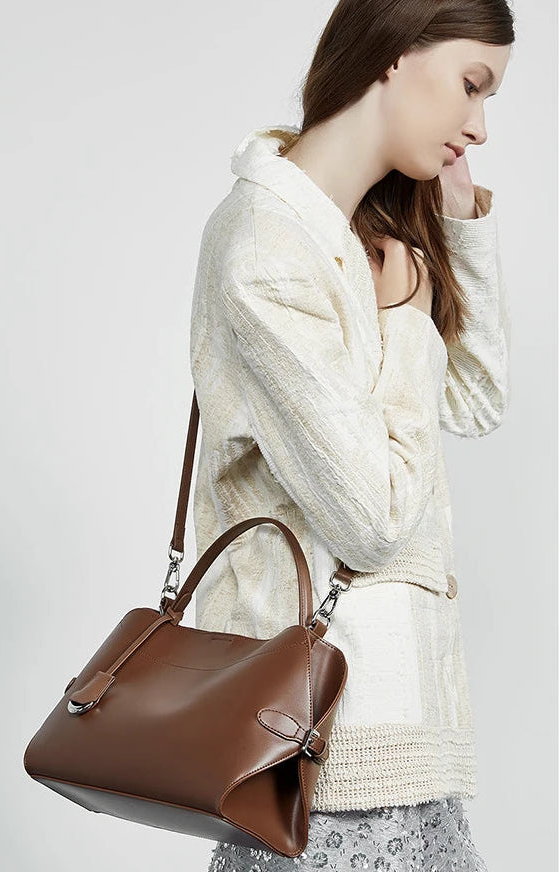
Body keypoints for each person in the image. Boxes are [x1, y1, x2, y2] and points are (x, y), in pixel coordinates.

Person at [188, 0, 515, 869]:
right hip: (321, 750)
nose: (479, 126)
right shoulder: (267, 245)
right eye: (471, 86)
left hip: (400, 735)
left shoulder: (367, 231)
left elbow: (478, 401)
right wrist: (408, 321)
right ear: (392, 57)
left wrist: (460, 229)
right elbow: (369, 521)